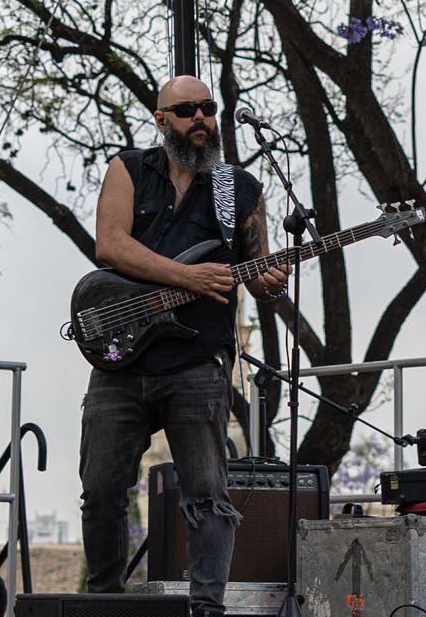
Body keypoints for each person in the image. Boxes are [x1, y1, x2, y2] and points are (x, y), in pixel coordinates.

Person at [78, 75, 286, 617]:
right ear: (161, 119)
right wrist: (186, 278)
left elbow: (256, 265)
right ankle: (102, 601)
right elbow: (110, 245)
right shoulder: (129, 169)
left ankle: (206, 607)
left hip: (197, 360)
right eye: (187, 109)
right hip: (122, 356)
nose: (201, 118)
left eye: (208, 109)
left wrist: (271, 277)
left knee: (208, 492)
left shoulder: (238, 188)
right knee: (102, 487)